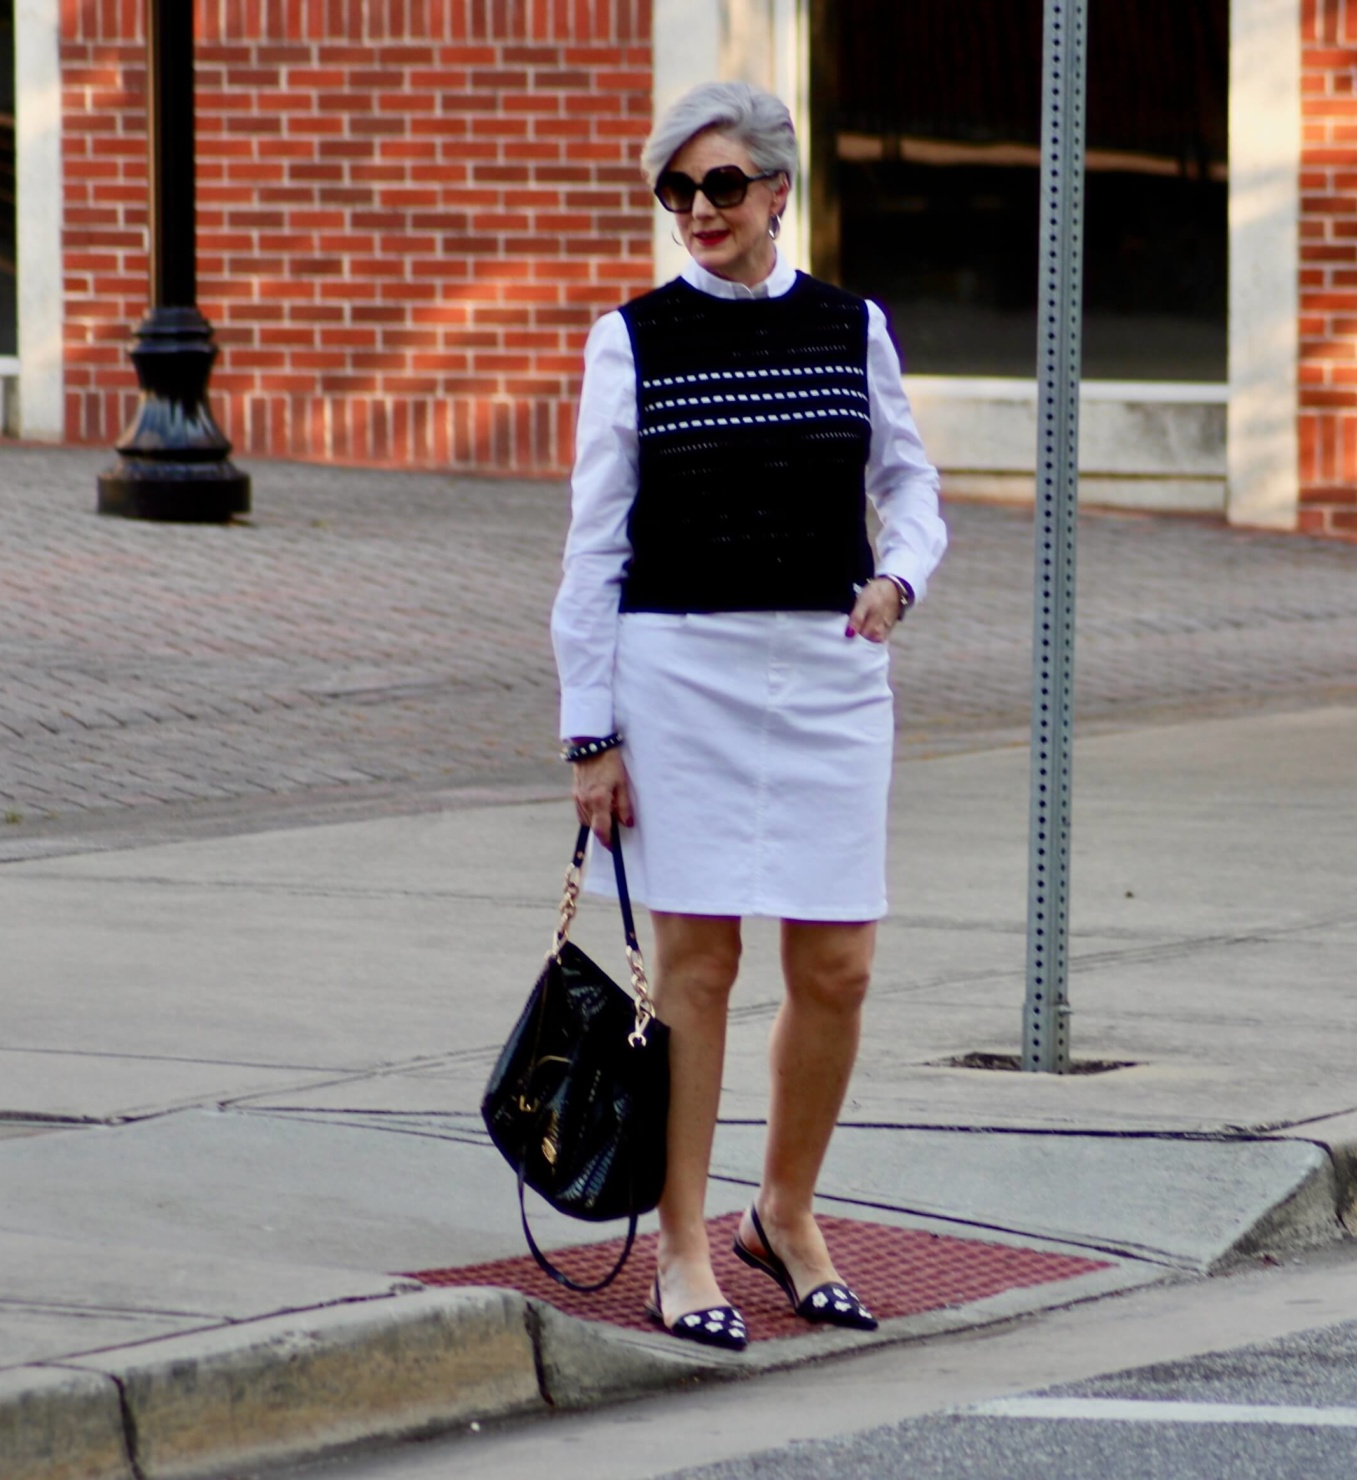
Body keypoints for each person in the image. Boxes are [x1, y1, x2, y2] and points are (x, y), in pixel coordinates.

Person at [550, 80, 947, 1351]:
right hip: (679, 679)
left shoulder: (850, 325)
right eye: (677, 192)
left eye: (722, 186)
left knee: (839, 965)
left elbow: (912, 484)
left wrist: (899, 578)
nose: (700, 211)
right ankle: (680, 1240)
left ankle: (784, 1213)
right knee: (697, 972)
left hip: (830, 673)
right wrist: (589, 732)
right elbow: (591, 550)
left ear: (778, 189)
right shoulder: (633, 339)